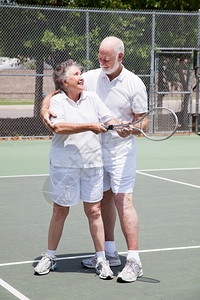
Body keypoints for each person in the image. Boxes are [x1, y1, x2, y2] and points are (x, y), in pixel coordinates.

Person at [41, 37, 148, 283]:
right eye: (100, 56)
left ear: (120, 57)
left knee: (123, 200)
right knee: (103, 201)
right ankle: (109, 253)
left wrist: (130, 128)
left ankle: (134, 261)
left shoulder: (134, 83)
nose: (102, 61)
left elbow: (143, 120)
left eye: (107, 58)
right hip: (95, 153)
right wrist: (44, 109)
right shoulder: (90, 76)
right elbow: (58, 90)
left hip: (121, 152)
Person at [34, 59, 122, 280]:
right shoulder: (57, 102)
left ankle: (101, 259)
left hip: (93, 164)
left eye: (81, 73)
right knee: (60, 210)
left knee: (94, 211)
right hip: (65, 165)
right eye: (75, 74)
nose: (81, 76)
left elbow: (108, 118)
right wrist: (90, 126)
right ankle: (51, 257)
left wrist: (122, 126)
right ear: (64, 82)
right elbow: (58, 127)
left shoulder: (92, 98)